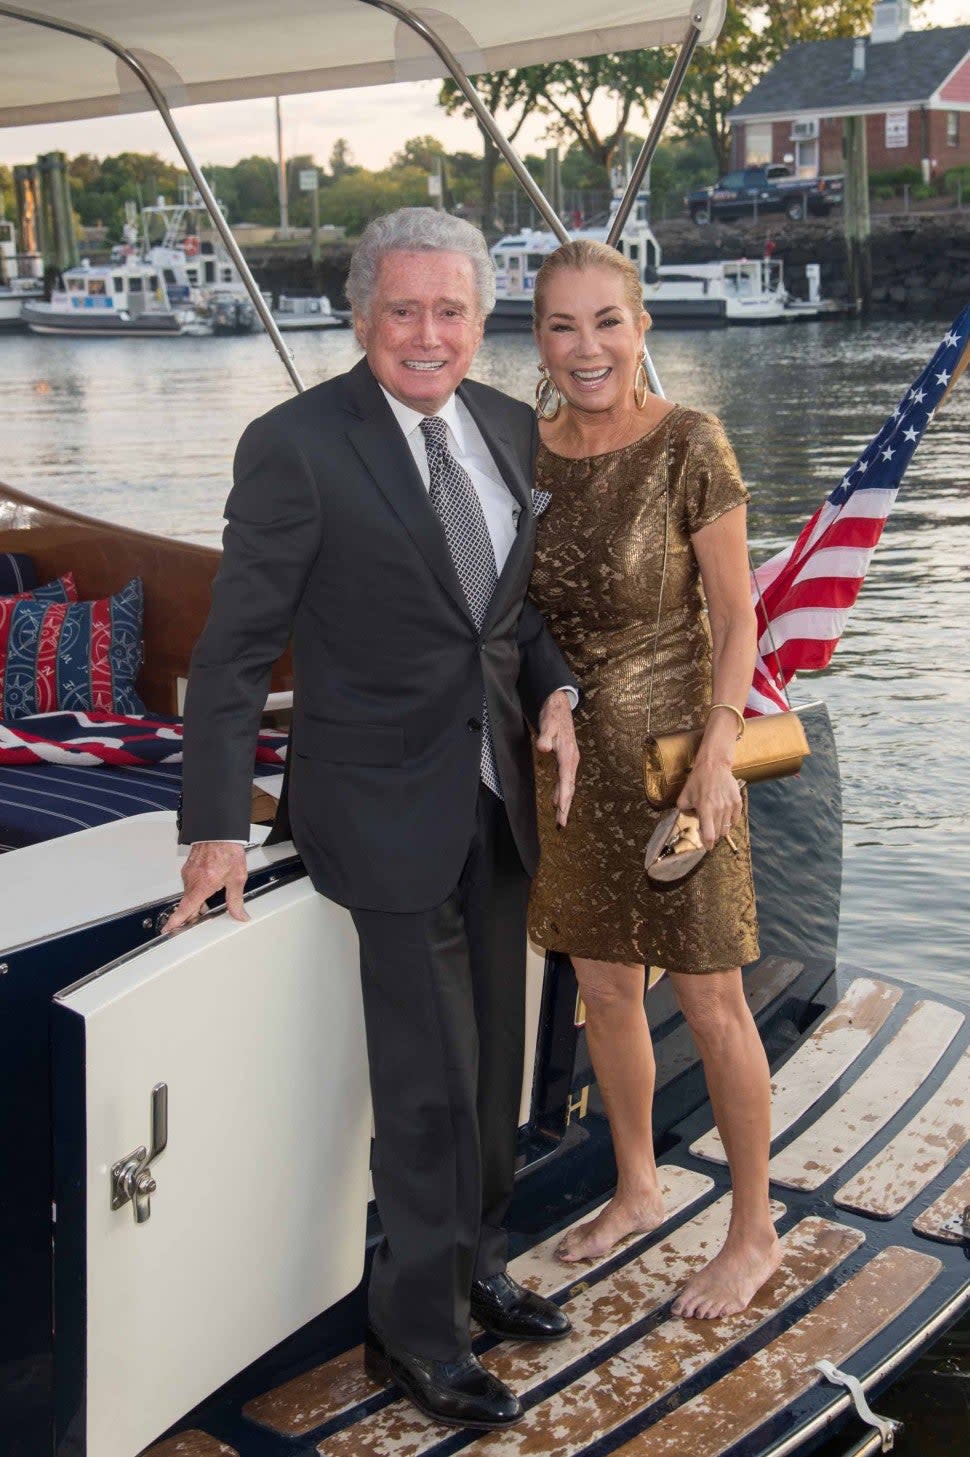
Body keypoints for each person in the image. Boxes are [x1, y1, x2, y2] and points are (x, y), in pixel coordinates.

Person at [168, 208, 581, 1430]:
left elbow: (504, 616)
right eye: (401, 309)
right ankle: (415, 1333)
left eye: (450, 309)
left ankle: (477, 1261)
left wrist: (555, 686)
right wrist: (216, 825)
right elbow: (234, 651)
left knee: (496, 1064)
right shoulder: (294, 446)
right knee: (426, 1088)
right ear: (360, 316)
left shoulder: (509, 426)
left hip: (497, 792)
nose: (426, 332)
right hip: (374, 805)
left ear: (480, 318)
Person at [527, 239, 780, 1321]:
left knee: (713, 999)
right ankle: (636, 1185)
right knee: (604, 989)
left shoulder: (690, 442)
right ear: (535, 338)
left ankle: (754, 1229)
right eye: (561, 326)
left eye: (607, 322)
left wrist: (719, 750)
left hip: (683, 768)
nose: (587, 349)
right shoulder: (516, 451)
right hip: (569, 770)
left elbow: (737, 617)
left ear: (642, 327)